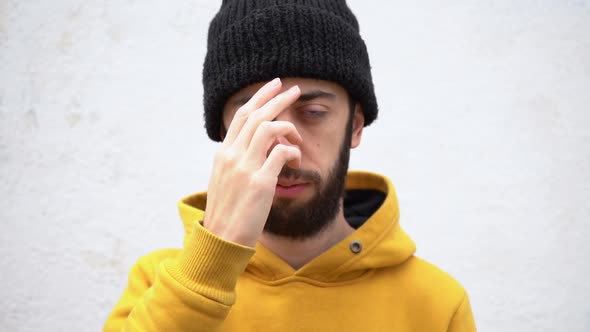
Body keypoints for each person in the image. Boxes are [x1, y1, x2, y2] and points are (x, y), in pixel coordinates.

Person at [104, 0, 477, 331]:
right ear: (224, 130)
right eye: (257, 115)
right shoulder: (160, 284)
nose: (285, 148)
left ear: (356, 125)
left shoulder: (436, 303)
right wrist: (212, 262)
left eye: (313, 112)